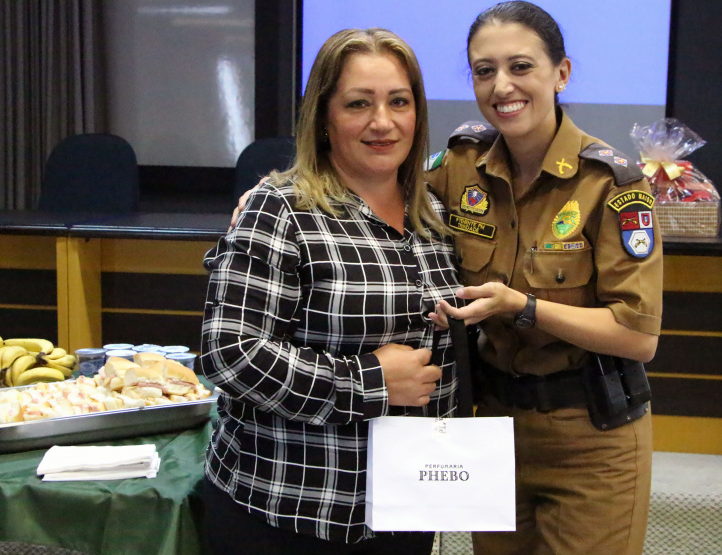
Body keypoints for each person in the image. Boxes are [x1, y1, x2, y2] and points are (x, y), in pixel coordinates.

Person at [201, 28, 462, 555]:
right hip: (289, 511)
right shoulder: (280, 208)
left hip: (404, 507)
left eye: (398, 102)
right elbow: (229, 354)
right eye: (358, 104)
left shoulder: (437, 218)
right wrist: (371, 383)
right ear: (323, 117)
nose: (382, 122)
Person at [425, 2, 663, 554]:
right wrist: (282, 190)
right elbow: (376, 187)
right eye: (484, 71)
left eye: (521, 66)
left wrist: (522, 306)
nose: (502, 85)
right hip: (493, 423)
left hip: (591, 437)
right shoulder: (460, 162)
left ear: (561, 73)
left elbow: (638, 335)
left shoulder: (612, 183)